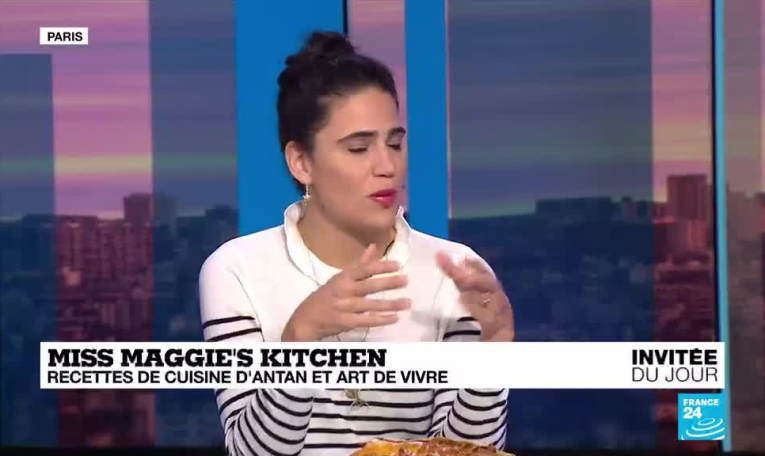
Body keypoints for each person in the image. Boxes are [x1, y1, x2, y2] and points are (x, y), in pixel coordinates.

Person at [199, 30, 515, 456]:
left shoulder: (455, 272)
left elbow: (465, 452)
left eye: (395, 144)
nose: (387, 166)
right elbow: (249, 452)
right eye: (359, 148)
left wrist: (492, 354)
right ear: (302, 162)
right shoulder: (237, 271)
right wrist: (300, 339)